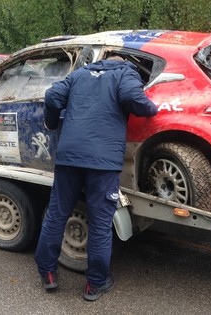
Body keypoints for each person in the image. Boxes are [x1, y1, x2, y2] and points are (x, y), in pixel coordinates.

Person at [34, 53, 158, 301]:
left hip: (69, 156)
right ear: (122, 61)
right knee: (101, 223)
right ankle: (95, 285)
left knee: (57, 214)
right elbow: (134, 98)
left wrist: (51, 123)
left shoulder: (79, 74)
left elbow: (52, 96)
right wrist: (152, 108)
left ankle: (48, 274)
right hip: (103, 162)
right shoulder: (125, 73)